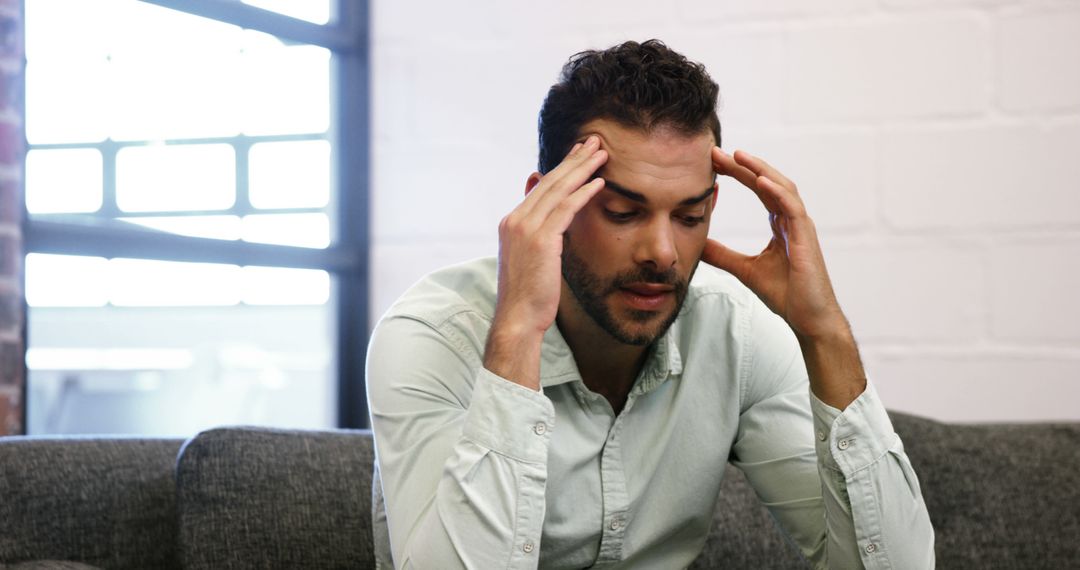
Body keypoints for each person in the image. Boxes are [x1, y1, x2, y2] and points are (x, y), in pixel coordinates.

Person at [367, 39, 935, 569]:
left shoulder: (735, 332)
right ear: (546, 206)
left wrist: (823, 332)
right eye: (622, 212)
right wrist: (516, 334)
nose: (663, 252)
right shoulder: (432, 335)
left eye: (690, 217)